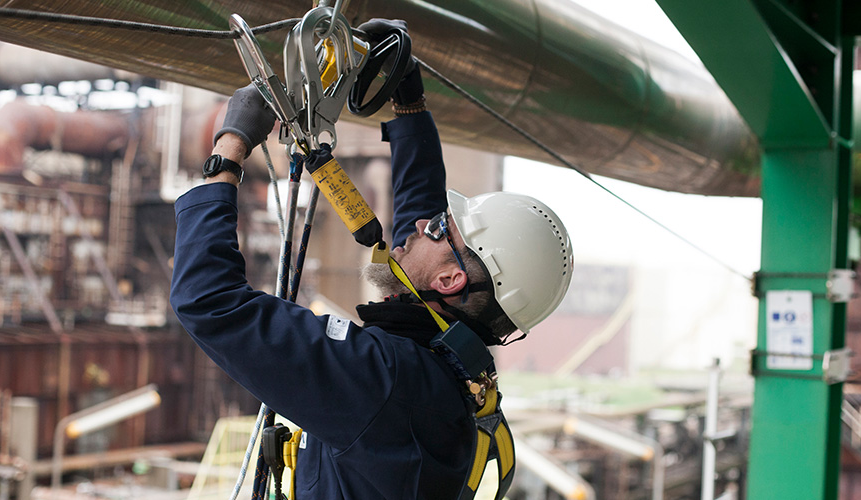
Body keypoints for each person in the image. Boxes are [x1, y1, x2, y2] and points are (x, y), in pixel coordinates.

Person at [170, 19, 573, 500]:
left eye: (442, 228)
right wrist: (408, 104)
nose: (422, 226)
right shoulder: (445, 371)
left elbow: (209, 302)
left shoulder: (383, 380)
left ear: (449, 280)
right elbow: (423, 222)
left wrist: (229, 150)